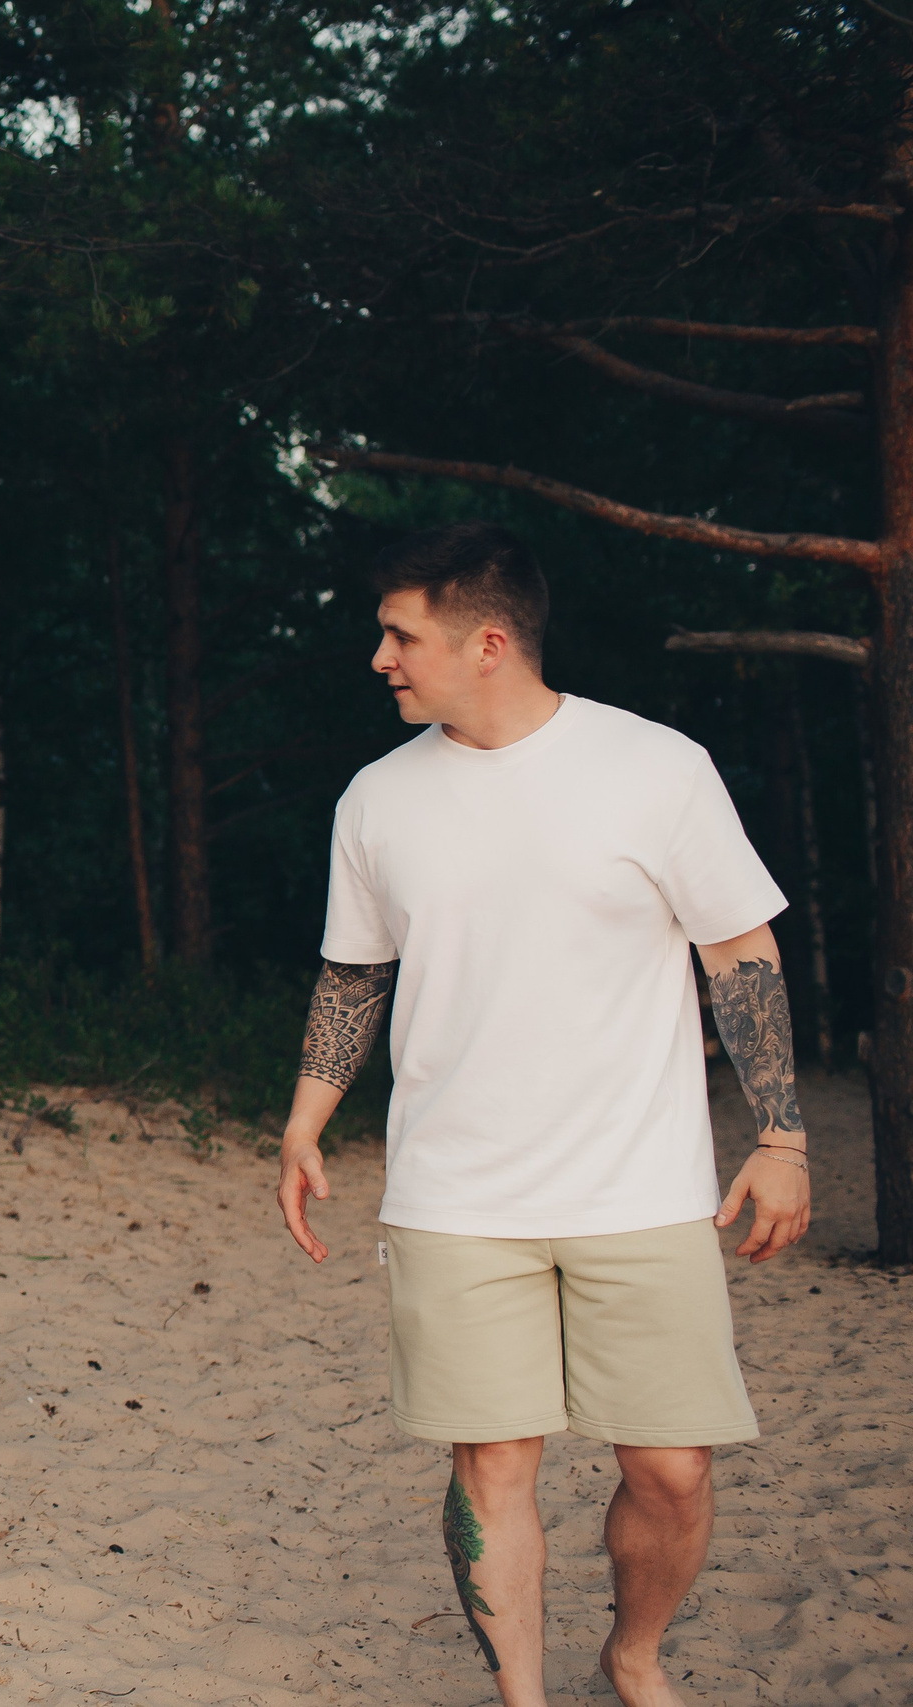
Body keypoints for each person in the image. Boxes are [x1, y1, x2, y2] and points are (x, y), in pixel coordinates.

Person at [276, 522, 811, 1707]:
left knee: (670, 1468)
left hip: (641, 1188)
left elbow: (738, 954)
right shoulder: (376, 800)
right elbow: (353, 975)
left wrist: (780, 1137)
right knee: (491, 1462)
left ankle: (633, 1653)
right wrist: (306, 1117)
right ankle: (522, 1693)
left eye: (399, 634)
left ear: (488, 642)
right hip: (456, 1196)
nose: (379, 658)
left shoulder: (656, 769)